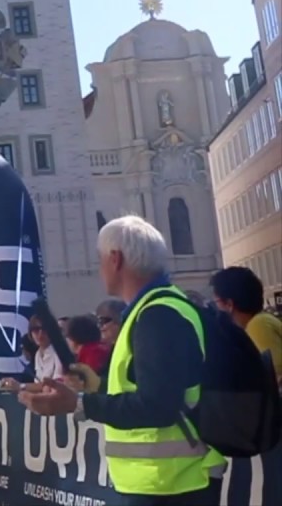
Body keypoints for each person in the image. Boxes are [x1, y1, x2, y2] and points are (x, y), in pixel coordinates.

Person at [20, 216, 225, 504]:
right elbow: (149, 391)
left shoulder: (158, 315)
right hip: (166, 481)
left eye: (100, 258)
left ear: (115, 259)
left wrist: (78, 404)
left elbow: (157, 405)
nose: (98, 267)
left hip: (171, 485)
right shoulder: (157, 310)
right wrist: (97, 385)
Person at [210, 266, 282, 379]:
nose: (215, 307)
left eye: (216, 302)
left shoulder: (258, 325)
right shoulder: (260, 321)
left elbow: (275, 375)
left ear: (229, 304)